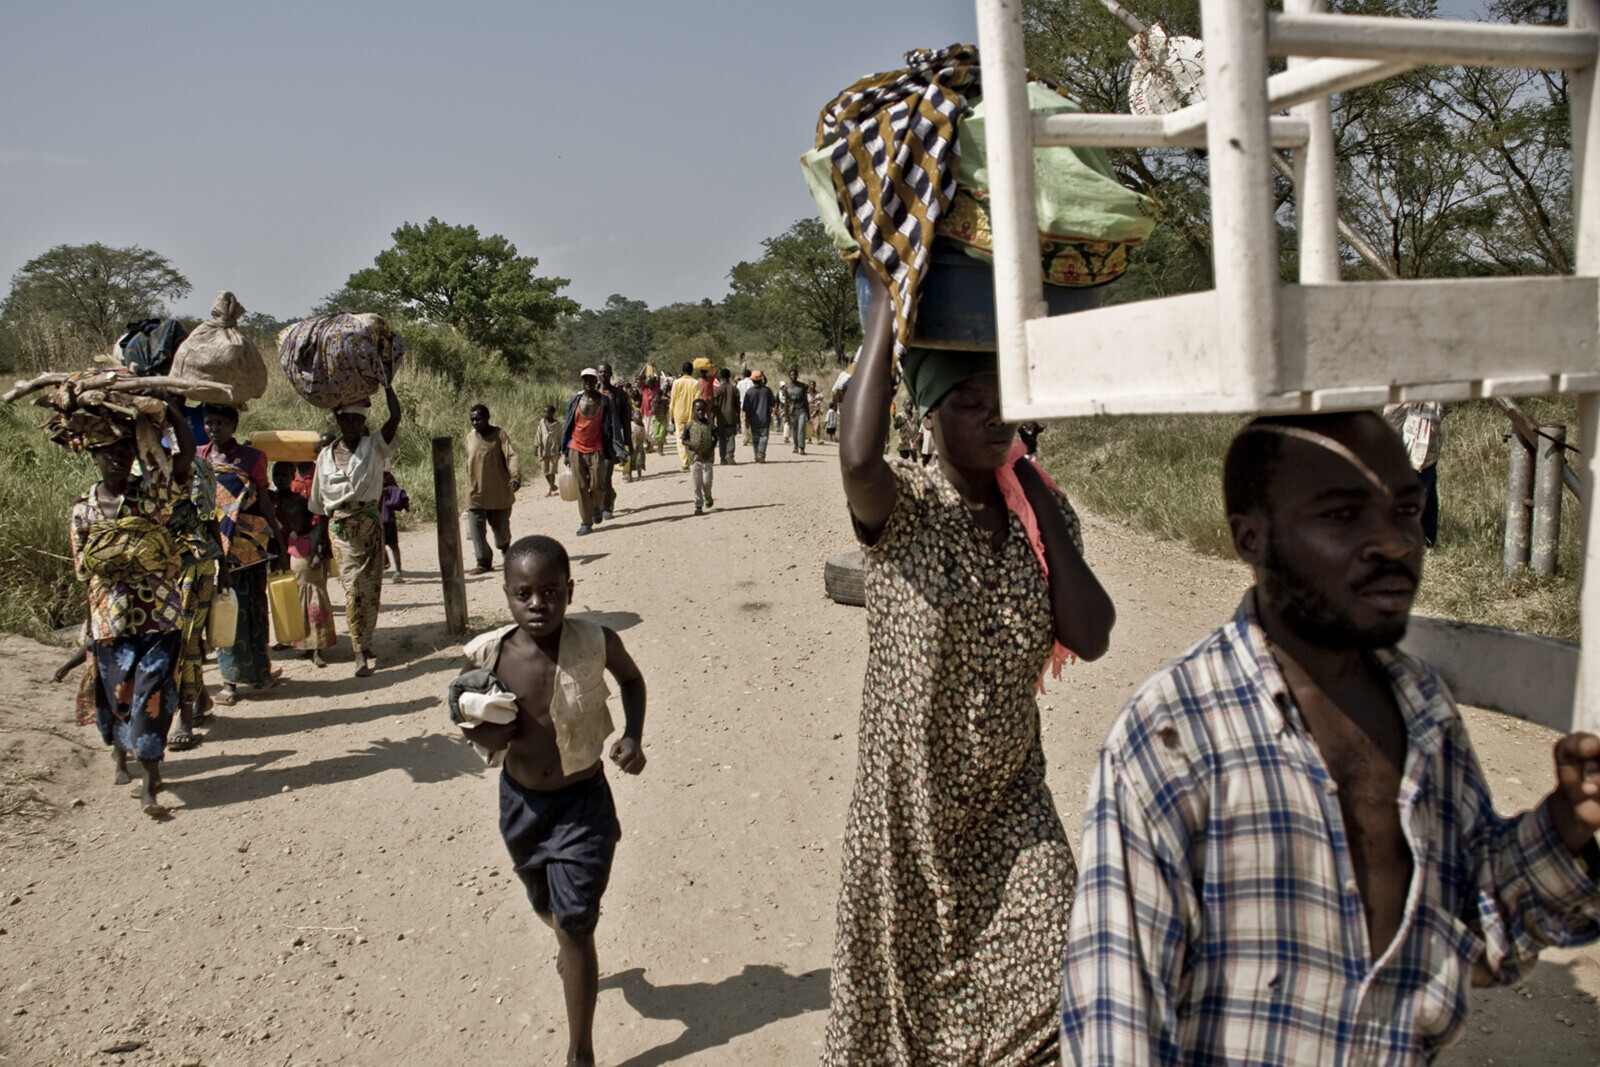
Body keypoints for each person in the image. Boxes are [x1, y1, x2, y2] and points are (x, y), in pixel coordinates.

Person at [1060, 411, 1600, 1065]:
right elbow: (1117, 1030)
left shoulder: (1422, 706)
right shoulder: (1173, 741)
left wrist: (1567, 821)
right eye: (1343, 515)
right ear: (1250, 539)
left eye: (1406, 508)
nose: (1394, 541)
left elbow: (1475, 922)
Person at [825, 272, 1115, 1065]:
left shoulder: (1042, 518)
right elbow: (857, 456)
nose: (995, 414)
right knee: (907, 1031)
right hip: (907, 822)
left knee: (1062, 993)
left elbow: (1091, 633)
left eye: (1005, 397)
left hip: (1010, 808)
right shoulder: (906, 515)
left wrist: (1037, 500)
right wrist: (890, 293)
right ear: (929, 410)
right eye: (969, 399)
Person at [452, 535, 646, 1067]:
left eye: (551, 592)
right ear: (508, 595)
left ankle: (579, 1051)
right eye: (525, 593)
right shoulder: (492, 657)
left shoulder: (597, 641)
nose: (539, 604)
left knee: (577, 924)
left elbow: (632, 680)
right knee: (549, 909)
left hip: (583, 803)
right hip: (522, 807)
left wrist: (633, 735)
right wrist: (477, 726)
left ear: (570, 590)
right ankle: (566, 937)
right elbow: (470, 716)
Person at [68, 399, 196, 815]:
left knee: (152, 695)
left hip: (160, 616)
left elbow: (184, 460)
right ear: (94, 456)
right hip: (111, 620)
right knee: (121, 698)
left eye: (126, 453)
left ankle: (148, 783)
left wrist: (170, 408)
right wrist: (90, 629)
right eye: (111, 455)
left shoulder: (153, 495)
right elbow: (86, 573)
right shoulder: (82, 510)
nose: (120, 461)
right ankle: (127, 758)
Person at [309, 383, 402, 678]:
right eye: (345, 420)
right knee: (354, 589)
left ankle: (366, 639)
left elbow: (395, 417)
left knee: (372, 587)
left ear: (363, 422)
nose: (350, 424)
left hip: (370, 524)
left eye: (356, 420)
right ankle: (359, 653)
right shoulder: (324, 457)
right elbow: (319, 505)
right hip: (341, 529)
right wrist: (320, 543)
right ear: (337, 422)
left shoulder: (373, 446)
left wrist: (387, 386)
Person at [199, 405, 287, 707]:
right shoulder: (199, 456)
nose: (213, 428)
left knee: (255, 609)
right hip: (213, 547)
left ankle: (261, 673)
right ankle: (229, 681)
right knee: (226, 611)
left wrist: (279, 543)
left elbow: (263, 501)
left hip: (249, 546)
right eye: (209, 421)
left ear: (234, 424)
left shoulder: (252, 458)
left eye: (220, 422)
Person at [278, 463, 336, 667]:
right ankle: (304, 646)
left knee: (315, 616)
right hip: (299, 588)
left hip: (313, 589)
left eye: (296, 522)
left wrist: (318, 556)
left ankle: (317, 649)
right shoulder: (294, 536)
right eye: (291, 523)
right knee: (300, 615)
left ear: (307, 519)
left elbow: (319, 548)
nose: (293, 526)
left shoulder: (313, 535)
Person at [562, 368, 621, 537]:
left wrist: (619, 449)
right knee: (581, 487)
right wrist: (566, 452)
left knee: (597, 485)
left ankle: (596, 506)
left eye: (591, 380)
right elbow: (568, 426)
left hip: (596, 450)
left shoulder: (604, 402)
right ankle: (586, 522)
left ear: (597, 382)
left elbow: (613, 425)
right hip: (576, 449)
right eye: (585, 380)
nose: (588, 383)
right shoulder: (575, 401)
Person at [465, 404, 521, 575]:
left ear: (487, 417)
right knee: (476, 530)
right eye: (472, 419)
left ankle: (505, 548)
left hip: (498, 493)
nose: (475, 422)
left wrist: (515, 476)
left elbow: (511, 456)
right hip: (476, 494)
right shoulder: (470, 437)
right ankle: (483, 561)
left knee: (501, 531)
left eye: (478, 419)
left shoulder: (499, 435)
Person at [1385, 400, 1445, 546]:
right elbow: (1392, 414)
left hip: (1421, 439)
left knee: (1419, 487)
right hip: (1409, 433)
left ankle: (1411, 540)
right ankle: (1426, 539)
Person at [597, 363, 632, 520]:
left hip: (611, 441)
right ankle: (601, 502)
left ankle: (607, 505)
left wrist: (628, 443)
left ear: (611, 374)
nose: (603, 374)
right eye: (601, 372)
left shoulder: (619, 395)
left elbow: (626, 421)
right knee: (594, 477)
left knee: (606, 475)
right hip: (594, 441)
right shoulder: (591, 394)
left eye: (606, 372)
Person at [683, 398, 717, 515]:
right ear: (693, 410)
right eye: (698, 410)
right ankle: (698, 505)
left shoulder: (710, 424)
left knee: (707, 482)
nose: (700, 412)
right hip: (695, 458)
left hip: (707, 458)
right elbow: (684, 440)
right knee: (696, 484)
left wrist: (711, 449)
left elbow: (715, 438)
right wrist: (692, 444)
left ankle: (708, 495)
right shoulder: (690, 425)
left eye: (703, 410)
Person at [669, 361, 700, 471]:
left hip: (679, 414)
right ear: (692, 371)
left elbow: (672, 401)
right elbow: (697, 401)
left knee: (681, 439)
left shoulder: (676, 383)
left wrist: (672, 415)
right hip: (692, 416)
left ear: (682, 371)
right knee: (691, 437)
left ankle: (684, 462)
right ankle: (692, 459)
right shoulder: (695, 383)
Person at [380, 467, 409, 580]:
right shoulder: (370, 476)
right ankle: (382, 568)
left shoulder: (387, 478)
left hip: (387, 516)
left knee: (393, 545)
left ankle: (398, 570)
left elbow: (397, 492)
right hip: (375, 515)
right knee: (378, 545)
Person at [742, 370, 775, 463]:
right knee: (764, 437)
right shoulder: (767, 391)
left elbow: (746, 408)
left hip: (753, 419)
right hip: (765, 418)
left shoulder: (749, 392)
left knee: (755, 438)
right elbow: (772, 404)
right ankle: (761, 454)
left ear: (752, 380)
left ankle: (757, 455)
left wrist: (747, 421)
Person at [713, 367, 740, 465]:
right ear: (729, 377)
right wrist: (738, 418)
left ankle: (723, 458)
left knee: (722, 439)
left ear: (721, 377)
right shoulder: (734, 389)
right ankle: (730, 454)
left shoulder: (717, 390)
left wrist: (713, 419)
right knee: (731, 437)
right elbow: (738, 405)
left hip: (721, 417)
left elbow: (714, 405)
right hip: (732, 416)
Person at [535, 404, 561, 496]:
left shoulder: (557, 424)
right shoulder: (542, 422)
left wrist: (561, 448)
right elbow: (538, 434)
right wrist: (536, 446)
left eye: (547, 412)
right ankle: (552, 485)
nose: (544, 413)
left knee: (552, 470)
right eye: (544, 411)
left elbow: (559, 436)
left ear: (552, 413)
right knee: (545, 470)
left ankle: (550, 489)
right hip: (543, 449)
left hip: (554, 450)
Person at [782, 368, 809, 454]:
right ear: (789, 376)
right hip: (792, 411)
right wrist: (786, 416)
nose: (793, 376)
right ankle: (796, 446)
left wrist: (808, 413)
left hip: (801, 410)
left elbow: (805, 400)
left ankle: (802, 447)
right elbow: (786, 403)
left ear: (797, 375)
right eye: (791, 375)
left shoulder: (802, 386)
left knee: (801, 428)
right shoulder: (786, 388)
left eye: (795, 374)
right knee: (795, 430)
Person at [736, 368, 755, 446]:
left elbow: (737, 393)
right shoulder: (752, 383)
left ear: (743, 375)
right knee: (750, 422)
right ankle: (751, 439)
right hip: (751, 406)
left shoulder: (740, 383)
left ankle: (745, 439)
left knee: (743, 422)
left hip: (742, 405)